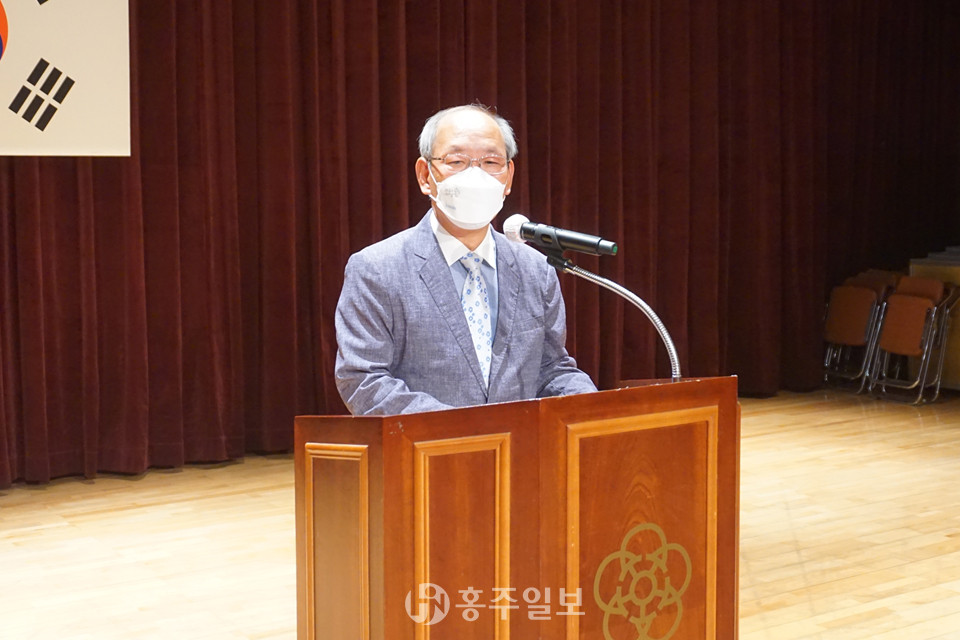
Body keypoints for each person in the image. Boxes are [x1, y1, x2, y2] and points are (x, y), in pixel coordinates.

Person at [334, 104, 596, 415]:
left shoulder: (536, 269)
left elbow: (552, 370)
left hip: (521, 445)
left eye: (490, 162)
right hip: (426, 444)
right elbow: (364, 381)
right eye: (456, 161)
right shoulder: (377, 269)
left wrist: (595, 411)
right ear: (425, 175)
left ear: (509, 177)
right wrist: (465, 433)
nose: (476, 175)